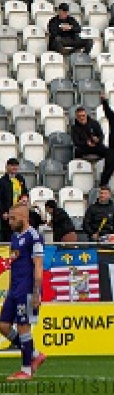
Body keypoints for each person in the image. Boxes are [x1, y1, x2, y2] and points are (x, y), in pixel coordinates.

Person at [0, 203, 46, 379]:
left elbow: (38, 266)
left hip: (26, 288)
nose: (10, 222)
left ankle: (26, 370)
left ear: (23, 218)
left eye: (13, 218)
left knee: (23, 327)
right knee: (3, 325)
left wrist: (36, 292)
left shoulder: (34, 237)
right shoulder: (15, 237)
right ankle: (34, 353)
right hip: (14, 288)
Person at [0, 158, 28, 242]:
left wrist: (25, 197)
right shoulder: (2, 181)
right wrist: (3, 212)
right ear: (7, 167)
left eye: (16, 166)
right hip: (7, 214)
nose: (14, 168)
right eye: (12, 166)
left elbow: (25, 192)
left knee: (19, 235)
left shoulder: (20, 179)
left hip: (19, 212)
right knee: (8, 236)